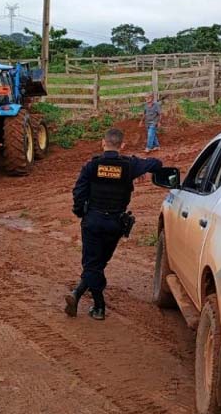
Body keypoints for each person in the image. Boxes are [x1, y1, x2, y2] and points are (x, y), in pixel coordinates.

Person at [67, 128, 162, 320]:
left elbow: (79, 192)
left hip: (93, 221)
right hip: (115, 224)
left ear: (103, 143)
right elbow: (157, 163)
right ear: (122, 145)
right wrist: (139, 169)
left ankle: (95, 305)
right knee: (99, 262)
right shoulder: (129, 165)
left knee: (93, 264)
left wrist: (81, 213)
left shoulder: (92, 166)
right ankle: (86, 298)